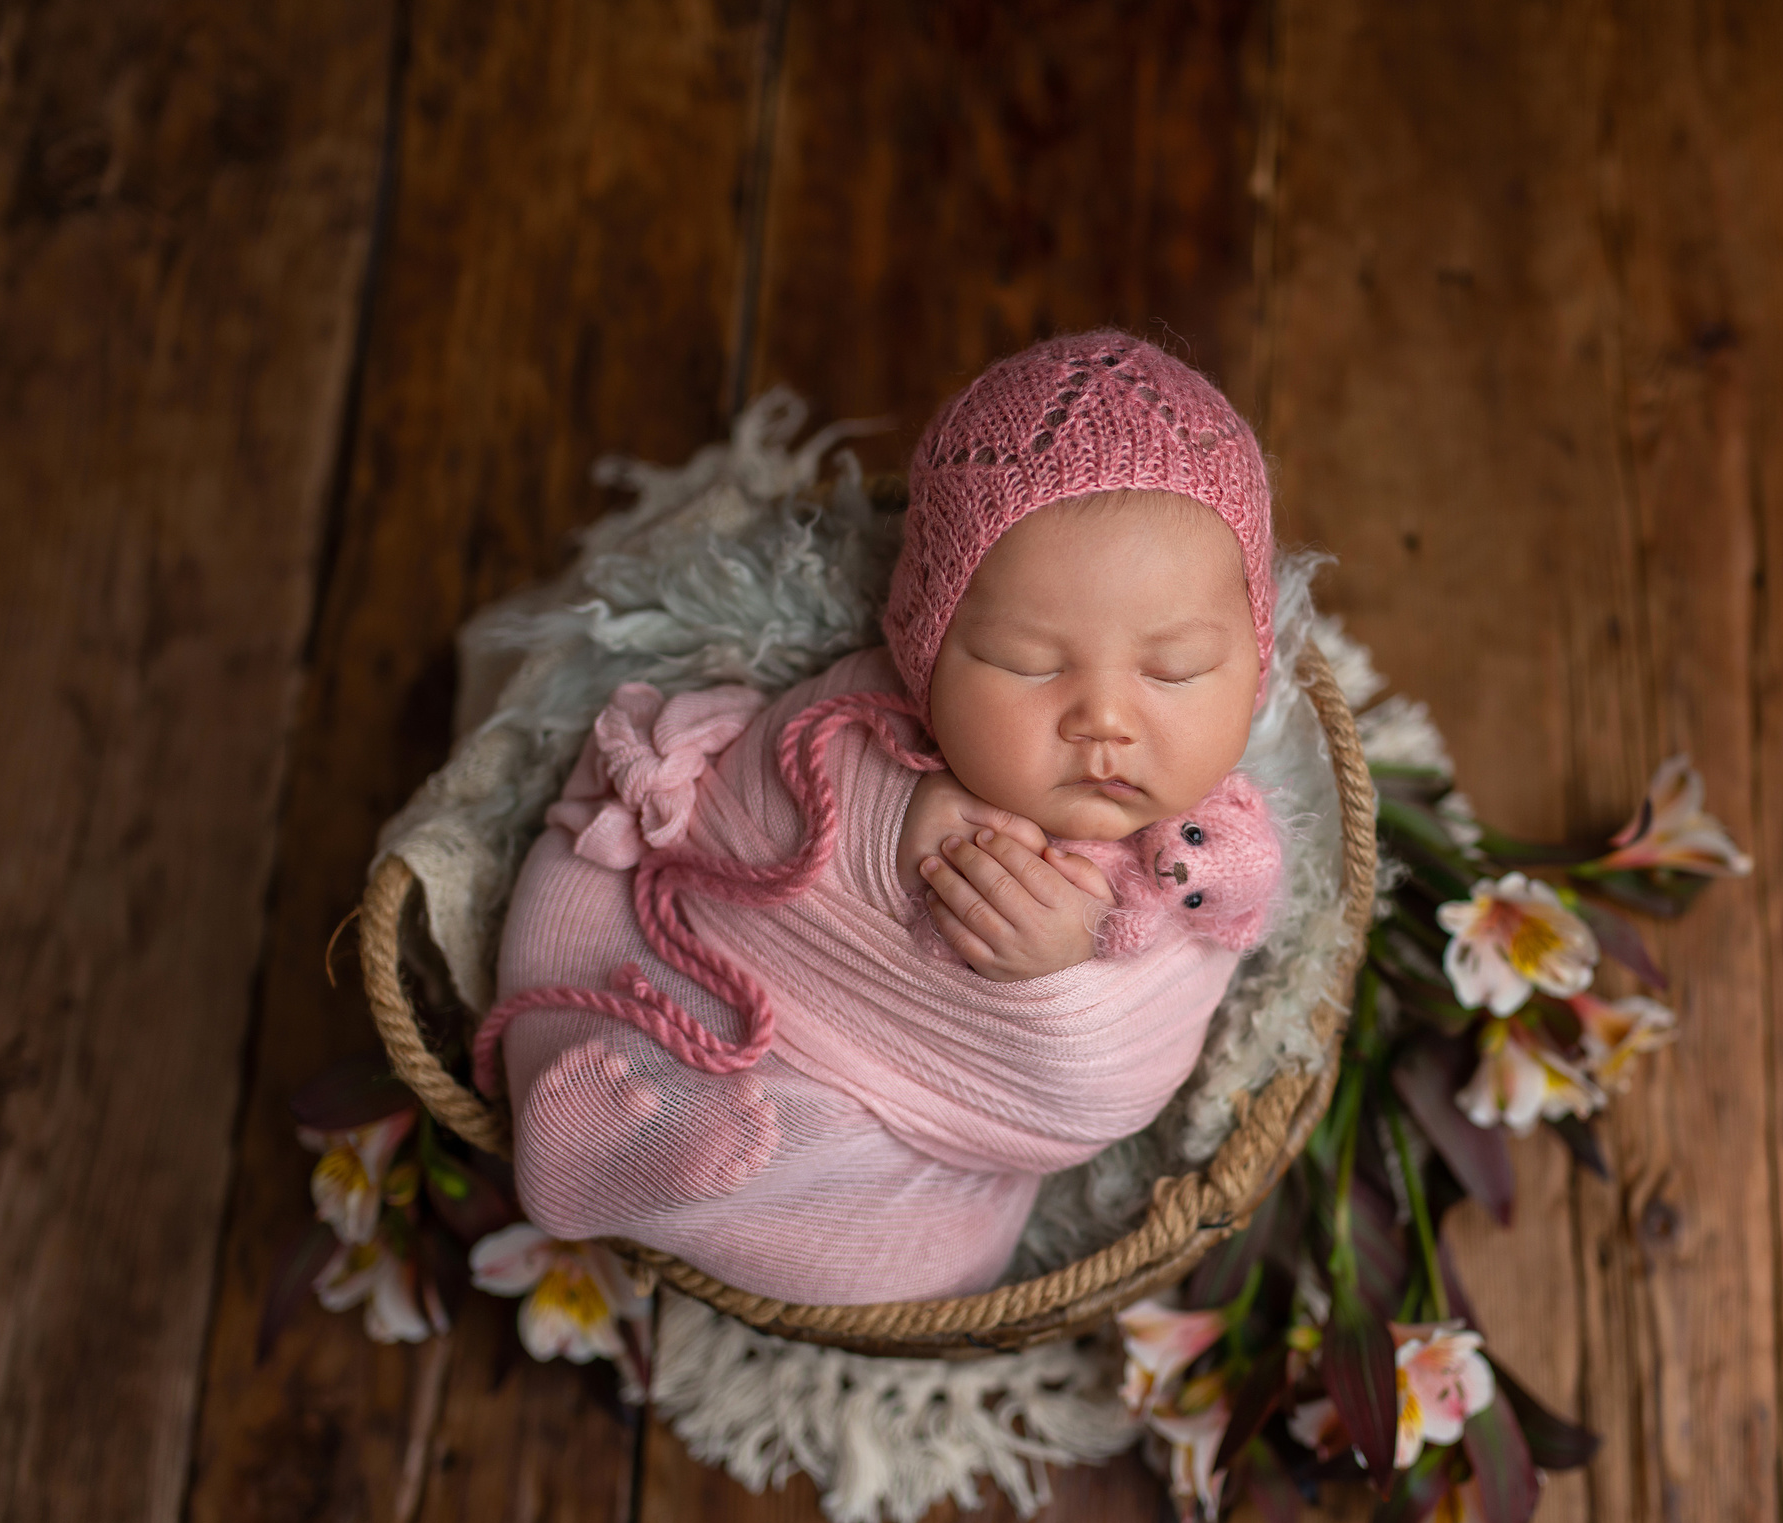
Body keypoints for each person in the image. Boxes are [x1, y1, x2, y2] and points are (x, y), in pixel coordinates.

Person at [476, 331, 1286, 1305]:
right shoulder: (859, 719)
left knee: (946, 1250)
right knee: (585, 873)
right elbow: (728, 806)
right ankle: (606, 1138)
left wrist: (1066, 972)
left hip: (912, 1128)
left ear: (1252, 667)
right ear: (925, 649)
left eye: (1174, 671)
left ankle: (643, 1167)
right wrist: (880, 824)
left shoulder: (1203, 856)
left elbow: (1121, 1086)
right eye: (1028, 663)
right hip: (701, 972)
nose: (1104, 720)